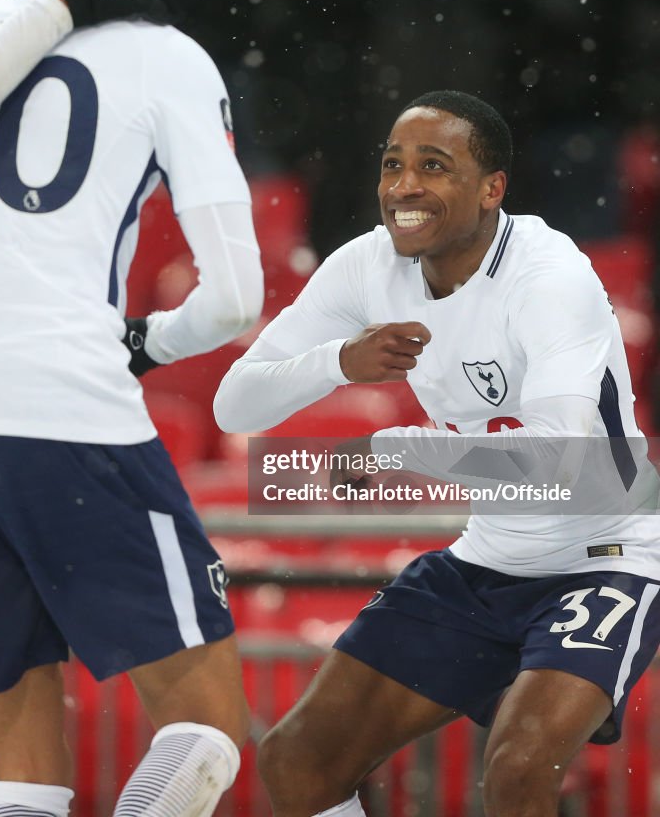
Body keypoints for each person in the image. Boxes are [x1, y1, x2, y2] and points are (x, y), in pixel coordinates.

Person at [0, 0, 263, 817]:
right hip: (57, 400)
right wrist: (146, 345)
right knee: (200, 734)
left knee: (20, 770)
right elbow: (234, 296)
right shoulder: (165, 57)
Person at [213, 89, 660, 817]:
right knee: (297, 760)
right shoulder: (364, 266)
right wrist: (337, 364)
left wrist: (405, 454)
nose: (404, 186)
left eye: (434, 166)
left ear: (492, 191)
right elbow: (237, 404)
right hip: (487, 558)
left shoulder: (550, 276)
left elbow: (564, 472)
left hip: (606, 552)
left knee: (518, 767)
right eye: (392, 165)